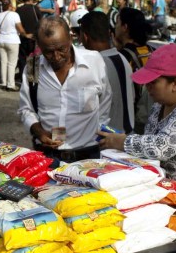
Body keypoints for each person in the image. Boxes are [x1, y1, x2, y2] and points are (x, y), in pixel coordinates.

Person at [98, 43, 176, 206]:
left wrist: (122, 141)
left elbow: (162, 147)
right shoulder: (159, 106)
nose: (147, 87)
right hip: (170, 199)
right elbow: (148, 149)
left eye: (153, 82)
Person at [18, 16, 112, 161]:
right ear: (39, 46)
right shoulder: (33, 67)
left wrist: (96, 131)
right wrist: (39, 132)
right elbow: (26, 109)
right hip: (47, 156)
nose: (56, 56)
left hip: (88, 157)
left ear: (70, 38)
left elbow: (105, 99)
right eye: (48, 51)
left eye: (62, 49)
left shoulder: (94, 61)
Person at [79, 11, 134, 133]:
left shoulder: (93, 65)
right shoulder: (123, 59)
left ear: (85, 37)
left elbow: (85, 109)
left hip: (107, 140)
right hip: (127, 135)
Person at [114, 7, 154, 133]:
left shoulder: (123, 57)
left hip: (134, 123)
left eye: (117, 23)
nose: (115, 27)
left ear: (125, 27)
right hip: (154, 117)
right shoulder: (153, 51)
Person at [0, 0, 31, 92]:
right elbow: (20, 29)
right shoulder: (14, 15)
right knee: (11, 64)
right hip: (12, 41)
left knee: (3, 62)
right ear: (10, 4)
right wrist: (26, 35)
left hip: (1, 41)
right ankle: (11, 85)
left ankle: (4, 83)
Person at [16, 0, 42, 78]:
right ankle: (32, 77)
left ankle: (22, 77)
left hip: (22, 37)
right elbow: (41, 21)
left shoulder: (18, 10)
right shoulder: (35, 9)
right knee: (33, 57)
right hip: (34, 38)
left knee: (22, 58)